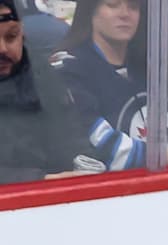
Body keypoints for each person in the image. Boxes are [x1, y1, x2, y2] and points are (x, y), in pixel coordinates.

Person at [51, 0, 168, 170]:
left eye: (133, 6)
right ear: (91, 11)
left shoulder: (155, 65)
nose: (125, 14)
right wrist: (162, 157)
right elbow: (91, 141)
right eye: (112, 5)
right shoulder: (68, 69)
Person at [0, 0, 97, 183]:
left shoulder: (40, 73)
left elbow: (71, 135)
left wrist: (85, 168)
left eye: (11, 36)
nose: (3, 49)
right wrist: (40, 179)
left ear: (22, 33)